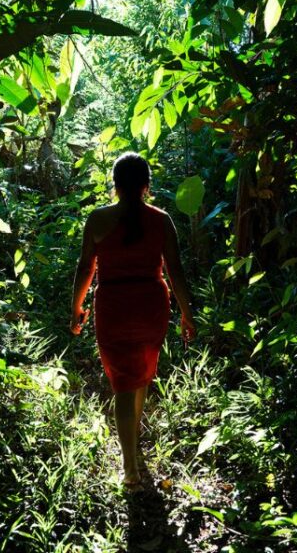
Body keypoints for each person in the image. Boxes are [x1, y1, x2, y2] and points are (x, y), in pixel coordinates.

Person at [70, 152, 197, 489]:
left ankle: (129, 468)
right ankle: (133, 452)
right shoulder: (162, 220)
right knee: (138, 377)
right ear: (146, 185)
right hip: (151, 305)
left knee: (125, 383)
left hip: (114, 305)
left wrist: (76, 307)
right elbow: (176, 270)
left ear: (115, 184)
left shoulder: (97, 220)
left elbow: (86, 268)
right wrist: (187, 311)